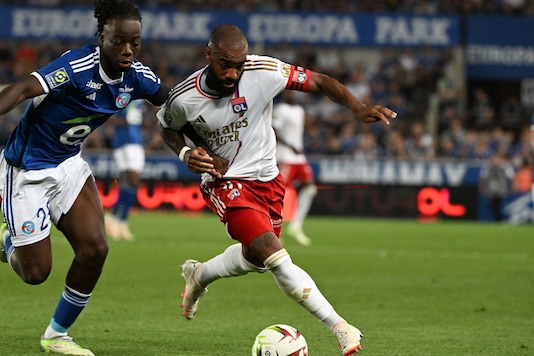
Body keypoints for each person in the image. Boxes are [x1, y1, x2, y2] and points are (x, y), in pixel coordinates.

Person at [0, 1, 170, 355]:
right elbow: (22, 88)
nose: (127, 50)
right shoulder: (76, 66)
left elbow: (171, 103)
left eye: (135, 43)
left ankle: (56, 335)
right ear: (101, 37)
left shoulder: (137, 76)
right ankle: (9, 240)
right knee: (36, 274)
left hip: (68, 166)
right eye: (118, 41)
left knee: (95, 249)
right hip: (27, 171)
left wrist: (194, 144)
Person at [157, 24, 396, 356]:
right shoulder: (184, 97)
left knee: (256, 259)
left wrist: (358, 108)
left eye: (238, 65)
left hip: (268, 181)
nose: (232, 72)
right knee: (273, 253)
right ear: (208, 54)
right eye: (225, 63)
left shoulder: (263, 71)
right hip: (224, 183)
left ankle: (200, 275)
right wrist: (186, 153)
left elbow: (320, 81)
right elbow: (168, 127)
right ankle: (340, 326)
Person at [272, 90, 316, 246]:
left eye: (294, 92)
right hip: (284, 156)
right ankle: (271, 230)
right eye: (289, 92)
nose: (293, 94)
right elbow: (274, 131)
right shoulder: (280, 109)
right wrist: (290, 146)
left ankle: (296, 226)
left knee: (310, 188)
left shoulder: (300, 110)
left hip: (298, 157)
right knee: (277, 193)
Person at [105, 99, 146, 240]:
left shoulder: (141, 98)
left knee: (132, 183)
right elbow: (109, 114)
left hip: (136, 142)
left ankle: (118, 219)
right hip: (124, 142)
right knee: (132, 181)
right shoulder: (124, 95)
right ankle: (118, 219)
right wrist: (120, 121)